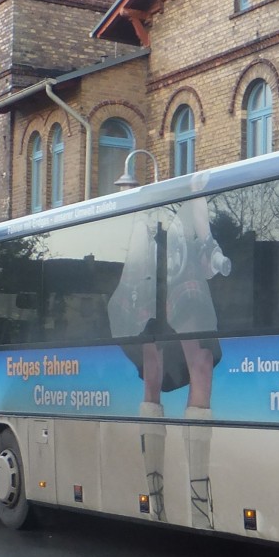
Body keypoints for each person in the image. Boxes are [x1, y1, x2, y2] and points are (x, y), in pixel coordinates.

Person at [107, 174, 230, 529]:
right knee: (153, 369)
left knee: (202, 361)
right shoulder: (144, 202)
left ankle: (199, 506)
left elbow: (198, 197)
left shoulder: (193, 186)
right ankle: (155, 498)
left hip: (182, 256)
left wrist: (208, 245)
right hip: (147, 262)